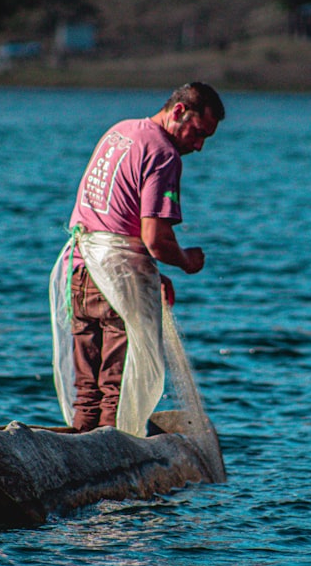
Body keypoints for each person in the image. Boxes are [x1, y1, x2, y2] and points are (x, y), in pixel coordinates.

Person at [49, 82, 225, 436]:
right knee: (118, 392)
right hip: (114, 285)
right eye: (198, 132)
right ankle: (108, 473)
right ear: (178, 112)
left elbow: (111, 221)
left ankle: (77, 456)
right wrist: (186, 260)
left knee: (88, 394)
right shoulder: (164, 153)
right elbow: (155, 239)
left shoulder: (120, 131)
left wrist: (152, 276)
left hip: (79, 272)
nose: (199, 146)